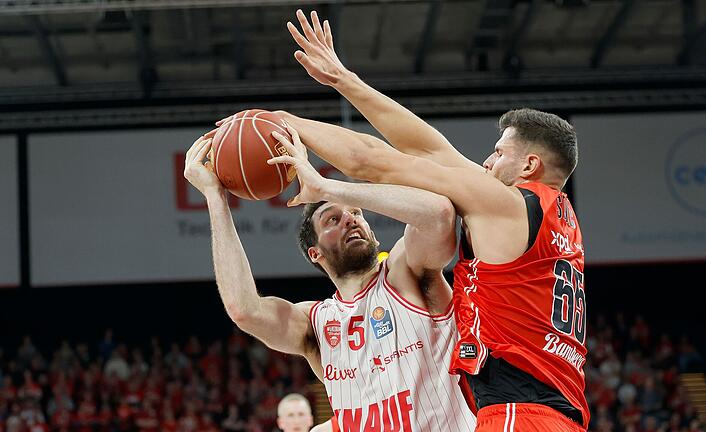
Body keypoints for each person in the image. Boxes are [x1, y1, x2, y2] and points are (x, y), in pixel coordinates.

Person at [281, 9, 590, 431]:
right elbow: (429, 149)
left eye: (499, 153)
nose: (485, 160)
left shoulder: (505, 205)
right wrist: (342, 80)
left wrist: (281, 124)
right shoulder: (549, 214)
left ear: (529, 164)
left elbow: (373, 161)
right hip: (555, 412)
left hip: (519, 414)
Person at [183, 124, 475, 431]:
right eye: (333, 219)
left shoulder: (405, 273)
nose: (350, 219)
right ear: (315, 253)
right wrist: (216, 198)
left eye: (357, 213)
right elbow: (244, 309)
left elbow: (439, 215)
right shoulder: (315, 324)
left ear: (373, 234)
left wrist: (328, 189)